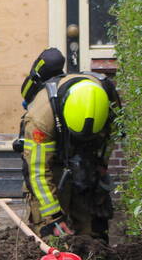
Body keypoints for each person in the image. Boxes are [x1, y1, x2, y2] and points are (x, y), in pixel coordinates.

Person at [16, 48, 120, 242]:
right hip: (54, 155)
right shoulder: (41, 119)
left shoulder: (109, 99)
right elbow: (37, 172)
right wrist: (53, 217)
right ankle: (52, 250)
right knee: (50, 229)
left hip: (87, 156)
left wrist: (101, 165)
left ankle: (93, 252)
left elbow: (111, 137)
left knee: (93, 219)